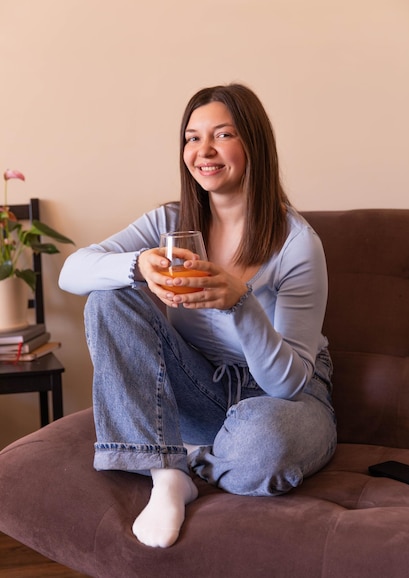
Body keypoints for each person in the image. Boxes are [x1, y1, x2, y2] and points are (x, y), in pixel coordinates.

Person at [59, 83, 337, 549]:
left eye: (222, 135)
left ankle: (182, 450)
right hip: (202, 383)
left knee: (262, 445)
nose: (203, 150)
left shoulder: (297, 244)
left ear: (253, 145)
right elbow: (73, 271)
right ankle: (169, 474)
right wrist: (137, 264)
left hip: (286, 398)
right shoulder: (170, 223)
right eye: (191, 137)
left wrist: (241, 303)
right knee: (108, 296)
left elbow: (287, 384)